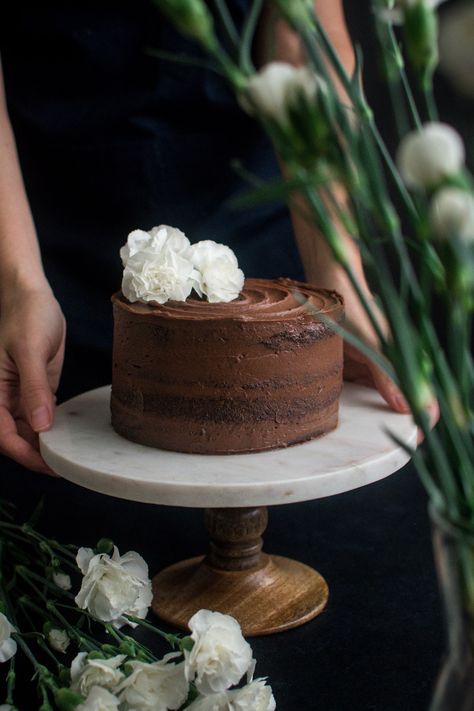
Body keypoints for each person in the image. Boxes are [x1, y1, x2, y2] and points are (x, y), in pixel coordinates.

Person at [0, 0, 410, 476]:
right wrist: (18, 287)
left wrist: (342, 282)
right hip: (41, 262)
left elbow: (303, 31)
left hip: (269, 246)